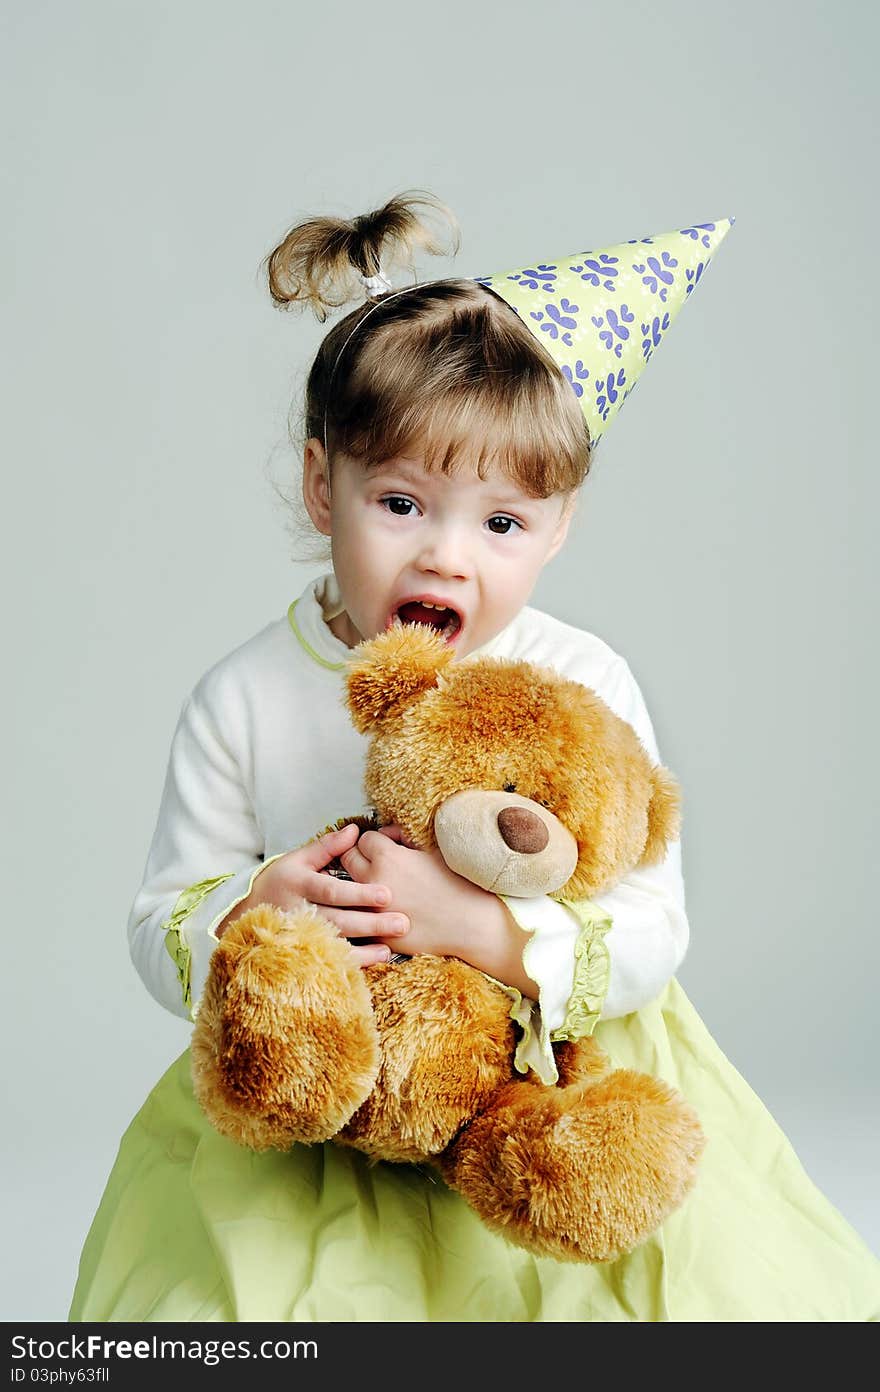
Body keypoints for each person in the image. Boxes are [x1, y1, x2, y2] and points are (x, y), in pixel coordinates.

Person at [69, 191, 880, 1322]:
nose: (447, 556)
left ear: (556, 529)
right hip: (331, 1098)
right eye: (399, 502)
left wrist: (485, 932)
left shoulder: (581, 680)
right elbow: (159, 920)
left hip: (544, 1086)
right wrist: (255, 906)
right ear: (323, 487)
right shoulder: (244, 696)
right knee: (235, 1311)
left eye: (499, 523)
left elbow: (652, 922)